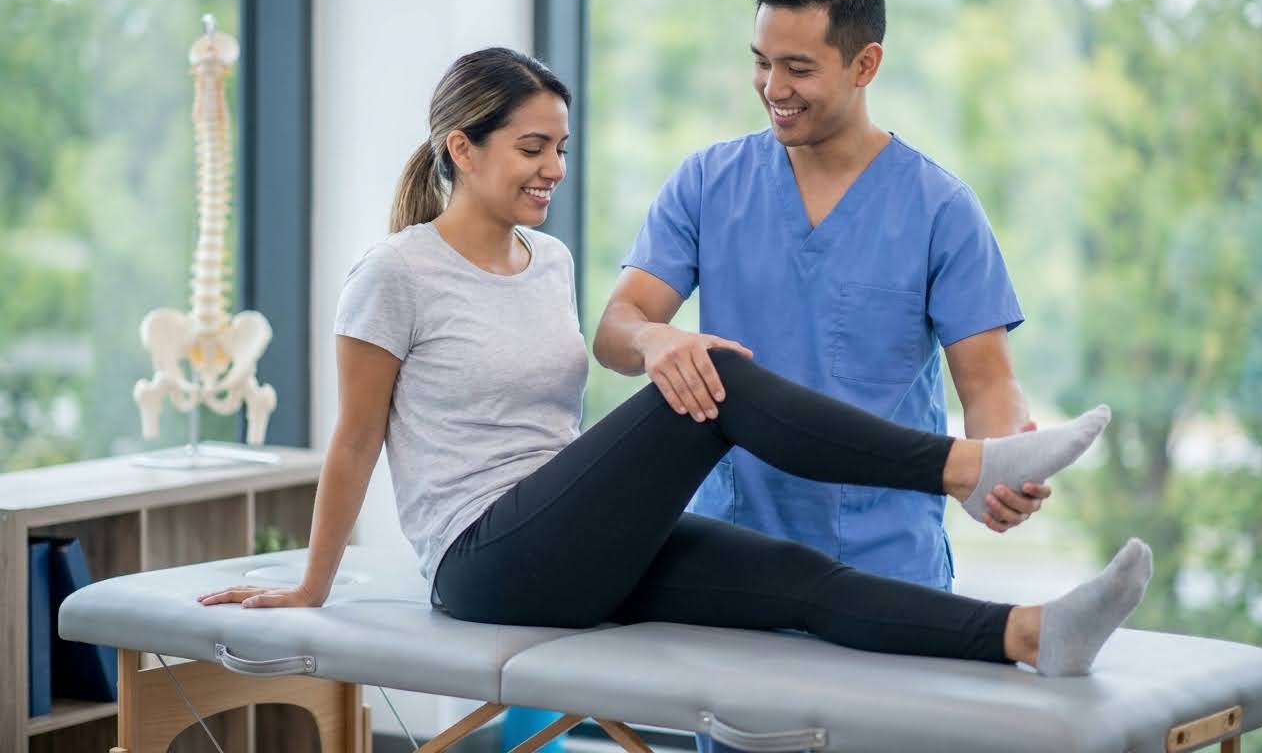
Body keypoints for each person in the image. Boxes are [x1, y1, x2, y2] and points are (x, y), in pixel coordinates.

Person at [198, 47, 1151, 678]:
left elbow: (560, 429)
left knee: (797, 580)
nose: (553, 169)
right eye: (532, 148)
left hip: (573, 543)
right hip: (481, 561)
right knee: (713, 376)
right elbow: (356, 441)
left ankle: (1034, 635)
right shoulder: (394, 271)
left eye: (562, 148)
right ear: (463, 147)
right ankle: (961, 466)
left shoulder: (551, 262)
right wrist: (313, 587)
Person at [595, 0, 1041, 597]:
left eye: (798, 68)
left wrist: (1002, 467)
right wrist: (652, 340)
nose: (773, 88)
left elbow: (989, 384)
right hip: (729, 558)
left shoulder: (940, 209)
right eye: (761, 61)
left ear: (866, 65)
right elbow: (616, 328)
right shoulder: (706, 183)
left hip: (884, 568)